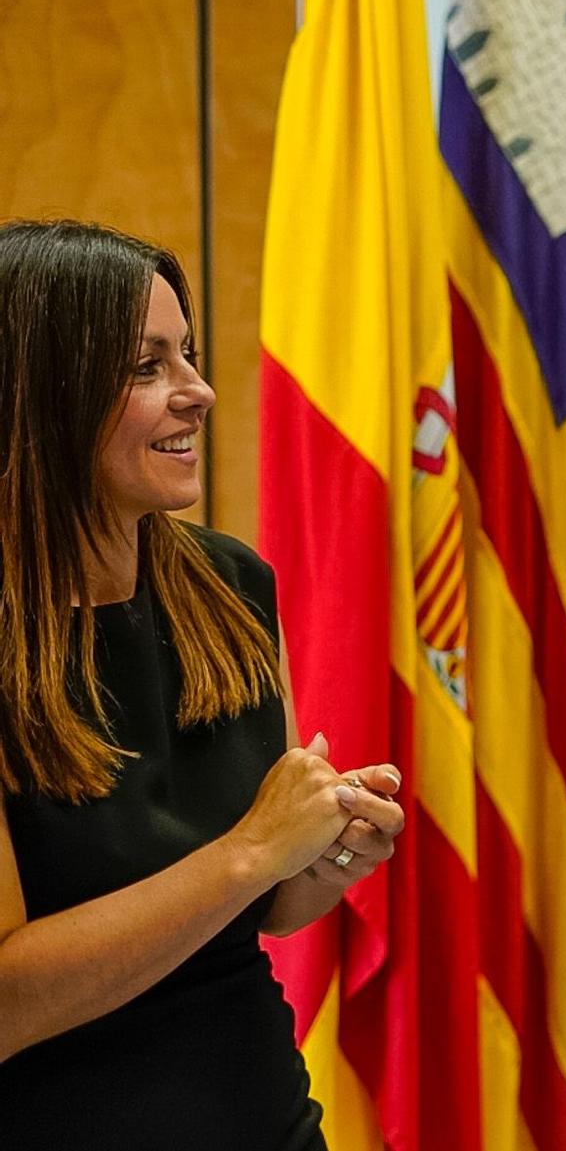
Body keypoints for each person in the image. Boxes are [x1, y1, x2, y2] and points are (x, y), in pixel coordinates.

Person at [0, 220, 405, 1149]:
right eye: (147, 367)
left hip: (266, 1117)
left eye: (186, 355)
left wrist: (325, 854)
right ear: (36, 394)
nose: (199, 392)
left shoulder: (230, 583)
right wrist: (255, 851)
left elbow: (263, 906)